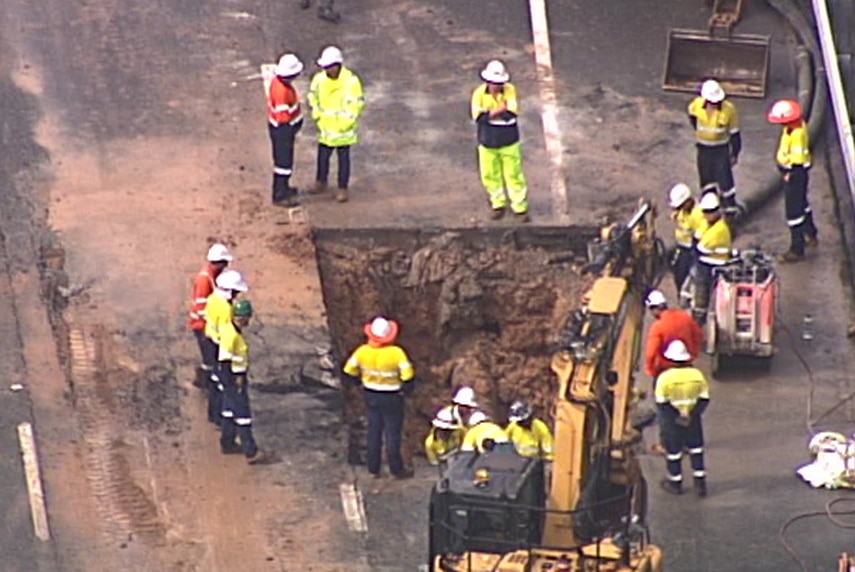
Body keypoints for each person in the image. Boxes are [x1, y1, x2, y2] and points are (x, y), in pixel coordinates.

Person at [343, 316, 415, 479]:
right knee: (392, 433)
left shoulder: (362, 352)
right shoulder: (396, 353)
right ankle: (396, 469)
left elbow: (348, 371)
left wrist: (359, 382)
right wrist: (406, 391)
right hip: (392, 396)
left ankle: (373, 467)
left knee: (374, 431)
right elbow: (408, 376)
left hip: (371, 395)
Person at [471, 60, 530, 222]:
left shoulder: (510, 90)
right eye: (494, 83)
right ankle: (497, 204)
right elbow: (479, 118)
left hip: (509, 142)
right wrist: (499, 110)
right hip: (488, 142)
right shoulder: (478, 94)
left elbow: (511, 114)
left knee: (514, 175)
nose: (497, 86)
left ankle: (519, 208)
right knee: (490, 175)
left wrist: (491, 113)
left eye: (499, 83)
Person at [307, 46, 365, 203]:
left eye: (329, 67)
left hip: (343, 131)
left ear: (338, 65)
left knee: (343, 159)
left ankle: (342, 188)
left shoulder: (351, 82)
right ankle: (321, 182)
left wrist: (344, 124)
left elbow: (355, 105)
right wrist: (317, 116)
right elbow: (313, 97)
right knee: (323, 156)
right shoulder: (319, 79)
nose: (327, 70)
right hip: (325, 128)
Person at [218, 299, 273, 464]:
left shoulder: (230, 331)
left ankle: (227, 443)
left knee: (228, 410)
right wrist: (235, 381)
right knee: (243, 415)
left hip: (230, 378)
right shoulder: (231, 335)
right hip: (235, 378)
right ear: (242, 318)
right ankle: (251, 451)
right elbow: (226, 360)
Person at [654, 340, 710, 497]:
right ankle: (700, 486)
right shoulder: (697, 375)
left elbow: (662, 404)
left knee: (674, 454)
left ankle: (675, 484)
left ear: (671, 359)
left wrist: (677, 416)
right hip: (693, 421)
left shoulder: (664, 378)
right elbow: (704, 399)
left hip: (673, 423)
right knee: (696, 451)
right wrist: (692, 414)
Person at [767, 99, 819, 263]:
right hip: (794, 174)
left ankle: (797, 249)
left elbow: (797, 160)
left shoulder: (797, 135)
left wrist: (790, 174)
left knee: (794, 212)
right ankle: (811, 233)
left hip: (795, 175)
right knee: (803, 204)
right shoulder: (792, 128)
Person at [687, 79, 742, 218]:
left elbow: (735, 133)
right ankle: (709, 209)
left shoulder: (729, 110)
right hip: (703, 149)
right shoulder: (697, 105)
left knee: (725, 180)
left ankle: (730, 211)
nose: (714, 104)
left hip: (721, 150)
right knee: (706, 180)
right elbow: (692, 116)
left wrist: (735, 153)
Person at [204, 269, 249, 427]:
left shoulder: (213, 299)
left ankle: (213, 414)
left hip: (211, 341)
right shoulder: (225, 309)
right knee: (225, 386)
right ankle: (221, 418)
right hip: (221, 347)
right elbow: (227, 333)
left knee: (215, 381)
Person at [188, 244, 232, 389]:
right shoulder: (204, 280)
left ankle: (207, 382)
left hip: (208, 325)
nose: (226, 266)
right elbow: (201, 307)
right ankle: (204, 383)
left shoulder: (214, 277)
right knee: (209, 357)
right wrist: (210, 327)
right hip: (202, 326)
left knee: (213, 354)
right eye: (224, 263)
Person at [267, 53, 304, 207]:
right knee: (284, 164)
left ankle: (284, 188)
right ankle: (280, 194)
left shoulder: (278, 83)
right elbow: (283, 118)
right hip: (283, 131)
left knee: (283, 162)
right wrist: (289, 132)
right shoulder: (281, 91)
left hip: (281, 130)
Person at [690, 193, 732, 324]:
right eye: (705, 212)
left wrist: (697, 243)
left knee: (705, 292)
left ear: (716, 211)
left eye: (708, 212)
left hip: (715, 266)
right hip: (705, 263)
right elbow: (697, 236)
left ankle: (702, 318)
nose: (706, 215)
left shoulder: (719, 230)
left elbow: (700, 248)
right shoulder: (708, 223)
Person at [644, 289, 704, 379]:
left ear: (654, 309)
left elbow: (651, 353)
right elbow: (699, 336)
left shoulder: (657, 327)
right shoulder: (685, 317)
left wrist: (650, 369)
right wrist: (692, 354)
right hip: (686, 366)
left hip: (665, 370)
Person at [667, 183, 705, 292]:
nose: (679, 209)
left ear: (688, 201)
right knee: (677, 272)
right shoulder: (684, 211)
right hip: (682, 246)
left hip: (691, 249)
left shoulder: (698, 215)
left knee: (687, 275)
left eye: (680, 206)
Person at [424, 406, 465, 474]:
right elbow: (435, 464)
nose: (446, 433)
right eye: (444, 430)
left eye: (449, 431)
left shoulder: (460, 432)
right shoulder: (430, 443)